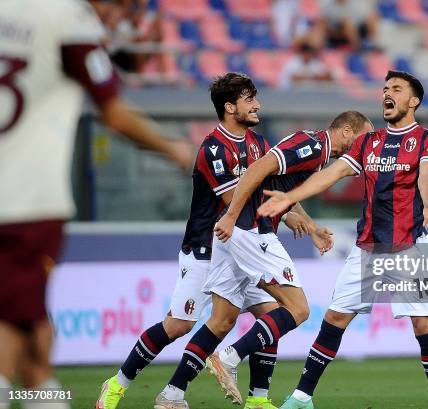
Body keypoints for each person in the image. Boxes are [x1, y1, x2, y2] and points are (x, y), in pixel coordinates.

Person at [0, 1, 193, 408]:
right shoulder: (69, 19)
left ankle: (44, 396)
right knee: (17, 325)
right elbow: (115, 113)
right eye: (123, 12)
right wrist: (173, 149)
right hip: (28, 202)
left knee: (29, 327)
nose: (115, 24)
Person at [93, 72, 323, 409]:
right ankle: (118, 383)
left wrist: (298, 215)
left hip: (244, 246)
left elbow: (273, 189)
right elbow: (238, 200)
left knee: (272, 313)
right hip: (207, 247)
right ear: (230, 107)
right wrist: (284, 208)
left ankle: (256, 400)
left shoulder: (259, 144)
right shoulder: (213, 150)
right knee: (178, 324)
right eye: (249, 100)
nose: (257, 105)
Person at [258, 70, 428, 409]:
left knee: (422, 323)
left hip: (408, 247)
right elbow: (331, 175)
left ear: (414, 100)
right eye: (386, 88)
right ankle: (302, 397)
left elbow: (427, 174)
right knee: (335, 318)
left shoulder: (426, 139)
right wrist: (290, 199)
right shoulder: (368, 142)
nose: (387, 93)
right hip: (367, 248)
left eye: (397, 89)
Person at [159, 110, 372, 406]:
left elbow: (281, 190)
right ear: (347, 131)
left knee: (221, 321)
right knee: (297, 309)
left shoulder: (317, 150)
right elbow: (259, 167)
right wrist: (232, 214)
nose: (369, 145)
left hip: (238, 232)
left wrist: (309, 226)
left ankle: (172, 394)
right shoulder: (310, 147)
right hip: (251, 230)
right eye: (365, 138)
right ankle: (229, 358)